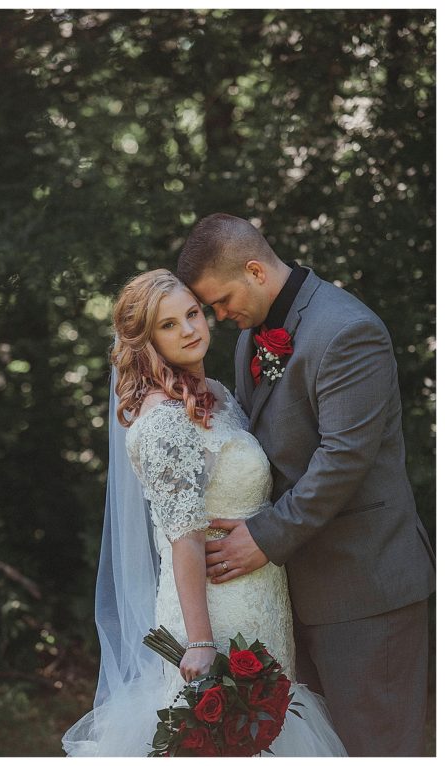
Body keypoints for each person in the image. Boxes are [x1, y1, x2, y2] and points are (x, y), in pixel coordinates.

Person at [175, 213, 434, 756]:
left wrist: (264, 537)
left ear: (254, 270)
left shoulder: (346, 330)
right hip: (293, 595)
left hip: (366, 592)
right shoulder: (253, 337)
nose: (218, 317)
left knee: (379, 749)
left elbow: (343, 458)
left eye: (220, 301)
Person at [63, 269, 345, 756]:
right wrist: (199, 642)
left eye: (192, 314)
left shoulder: (216, 392)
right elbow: (184, 537)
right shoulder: (162, 421)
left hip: (260, 595)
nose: (189, 329)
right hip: (212, 610)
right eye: (168, 325)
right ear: (147, 341)